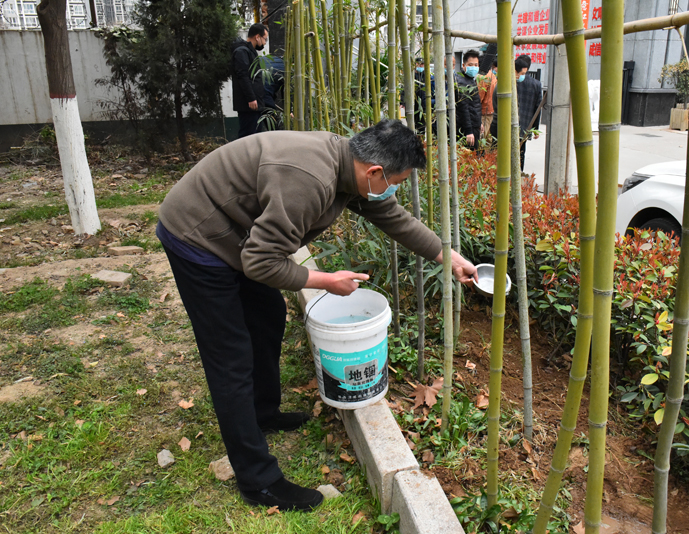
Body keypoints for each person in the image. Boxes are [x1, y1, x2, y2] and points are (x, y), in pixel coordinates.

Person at [156, 120, 477, 512]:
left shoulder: (349, 165)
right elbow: (259, 263)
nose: (392, 189)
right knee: (230, 357)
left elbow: (393, 217)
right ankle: (259, 481)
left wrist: (450, 258)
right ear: (375, 171)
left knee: (268, 316)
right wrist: (325, 279)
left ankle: (262, 412)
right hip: (199, 236)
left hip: (238, 231)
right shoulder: (310, 181)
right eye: (396, 180)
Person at [491, 57, 542, 169]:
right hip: (523, 127)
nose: (521, 76)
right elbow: (537, 108)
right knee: (519, 156)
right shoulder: (535, 84)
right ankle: (518, 179)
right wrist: (535, 129)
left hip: (504, 125)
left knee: (500, 157)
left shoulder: (506, 82)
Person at [231, 24, 268, 139]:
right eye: (265, 39)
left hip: (254, 104)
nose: (265, 43)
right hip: (249, 105)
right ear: (257, 37)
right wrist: (251, 98)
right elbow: (243, 76)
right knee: (248, 136)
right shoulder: (242, 51)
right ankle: (242, 157)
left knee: (255, 135)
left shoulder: (249, 51)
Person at [454, 49, 483, 149]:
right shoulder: (462, 82)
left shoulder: (470, 80)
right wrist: (469, 131)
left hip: (473, 125)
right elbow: (464, 108)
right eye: (471, 65)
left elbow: (474, 105)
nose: (474, 67)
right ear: (463, 65)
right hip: (467, 129)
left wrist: (479, 123)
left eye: (476, 65)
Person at [478, 59, 497, 143]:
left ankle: (482, 156)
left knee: (482, 138)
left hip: (484, 113)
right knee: (489, 140)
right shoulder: (493, 76)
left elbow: (479, 97)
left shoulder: (483, 77)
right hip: (492, 111)